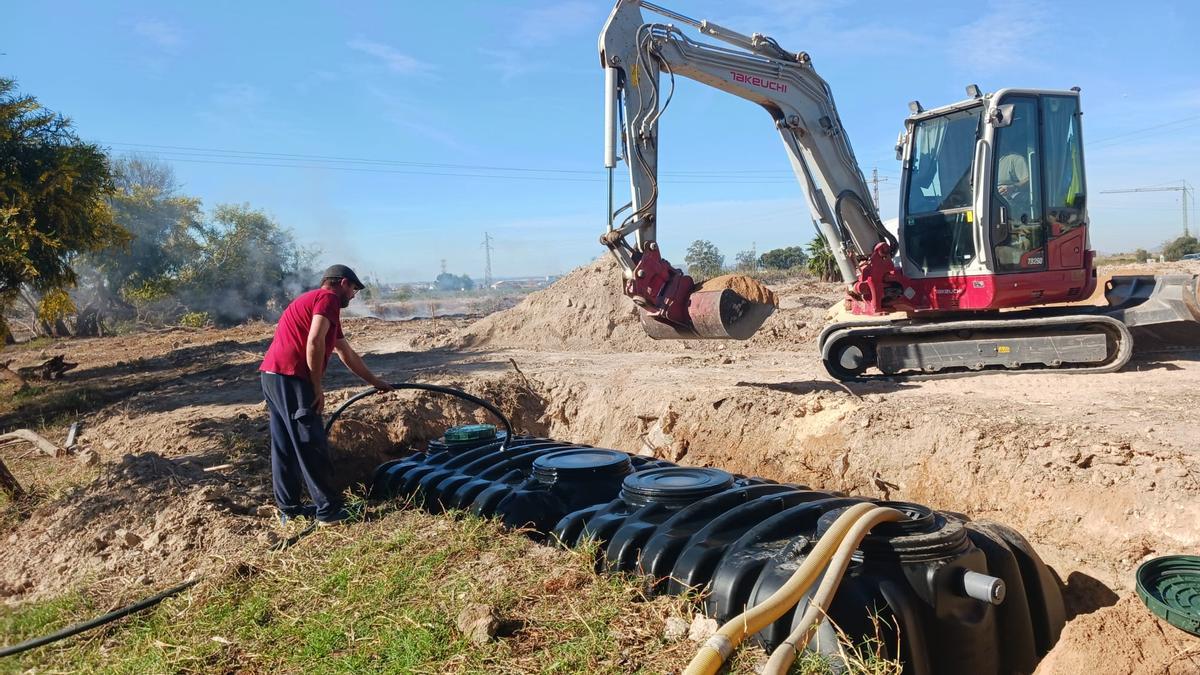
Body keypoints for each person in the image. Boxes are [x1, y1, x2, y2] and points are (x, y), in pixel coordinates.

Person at [259, 264, 392, 525]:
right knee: (310, 441)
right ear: (342, 283)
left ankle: (290, 508)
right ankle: (328, 510)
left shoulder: (311, 301)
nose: (353, 296)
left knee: (285, 444)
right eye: (353, 289)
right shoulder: (328, 298)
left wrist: (375, 381)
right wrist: (316, 386)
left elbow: (345, 352)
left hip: (272, 376)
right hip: (292, 376)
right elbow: (315, 341)